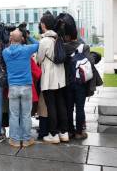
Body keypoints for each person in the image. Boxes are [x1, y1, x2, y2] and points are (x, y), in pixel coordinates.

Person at [2, 29, 39, 147]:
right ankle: (27, 139)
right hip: (26, 86)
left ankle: (15, 140)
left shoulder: (5, 52)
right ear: (22, 38)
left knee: (14, 115)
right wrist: (28, 36)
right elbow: (38, 44)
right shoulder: (26, 50)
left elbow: (10, 46)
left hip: (13, 87)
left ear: (10, 39)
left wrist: (12, 38)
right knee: (26, 115)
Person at [37, 12, 69, 144]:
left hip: (49, 77)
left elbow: (39, 59)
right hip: (60, 77)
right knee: (61, 104)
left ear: (43, 25)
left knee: (51, 106)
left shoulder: (44, 41)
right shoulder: (58, 38)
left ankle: (53, 134)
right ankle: (64, 132)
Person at [62, 19, 90, 140]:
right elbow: (91, 63)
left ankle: (69, 131)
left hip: (67, 83)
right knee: (80, 107)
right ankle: (79, 132)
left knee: (68, 108)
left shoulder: (62, 48)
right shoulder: (84, 47)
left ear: (67, 35)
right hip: (80, 83)